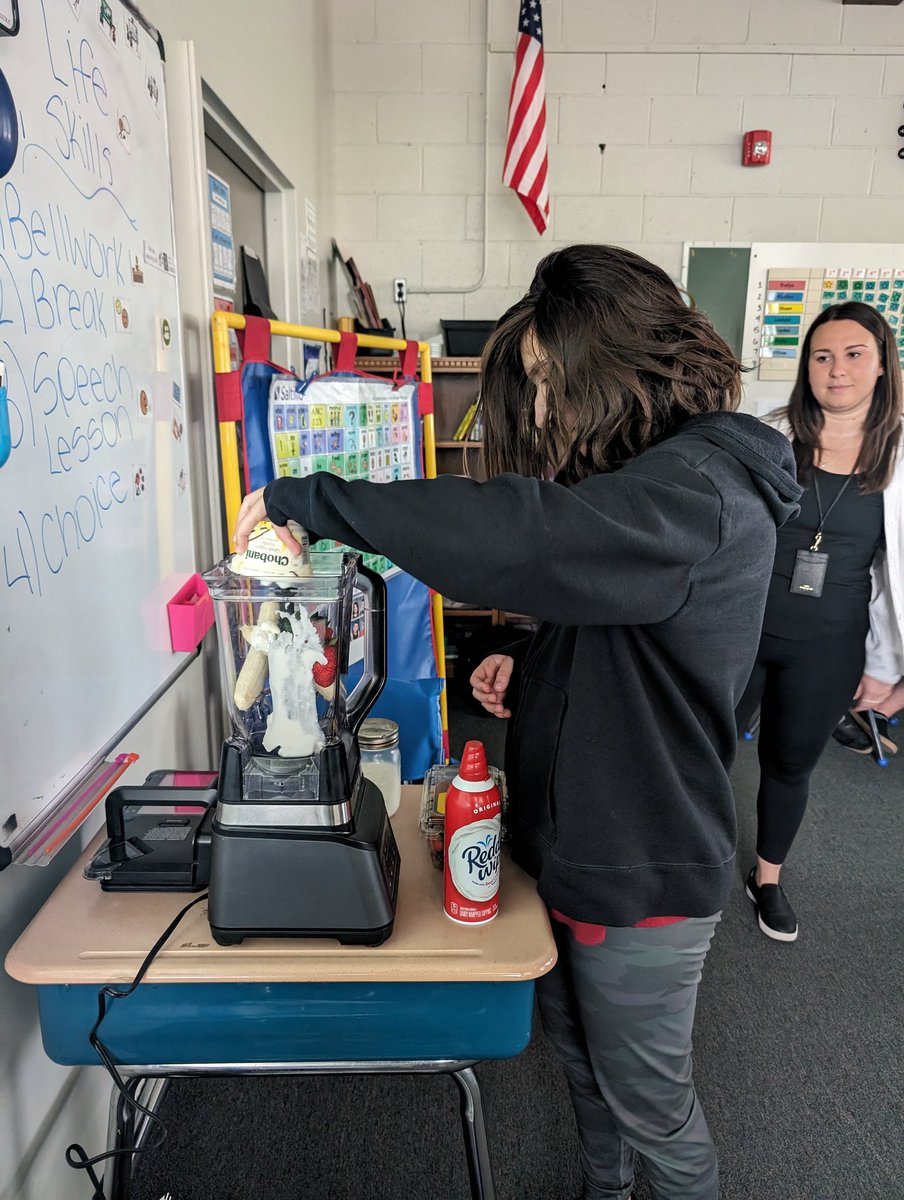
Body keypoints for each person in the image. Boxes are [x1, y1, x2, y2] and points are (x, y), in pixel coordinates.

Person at [234, 244, 801, 1200]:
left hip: (642, 861)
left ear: (613, 356)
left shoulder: (698, 488)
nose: (541, 411)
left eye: (548, 383)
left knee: (654, 1108)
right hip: (580, 843)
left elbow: (526, 534)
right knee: (584, 1072)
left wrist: (306, 502)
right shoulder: (671, 482)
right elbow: (640, 637)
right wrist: (535, 666)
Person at [735, 301, 904, 942]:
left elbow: (897, 579)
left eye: (854, 354)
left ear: (883, 363)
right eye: (822, 356)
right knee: (702, 746)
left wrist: (892, 671)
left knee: (790, 761)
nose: (837, 370)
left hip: (830, 645)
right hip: (743, 630)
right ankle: (685, 857)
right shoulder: (769, 434)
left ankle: (767, 878)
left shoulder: (899, 455)